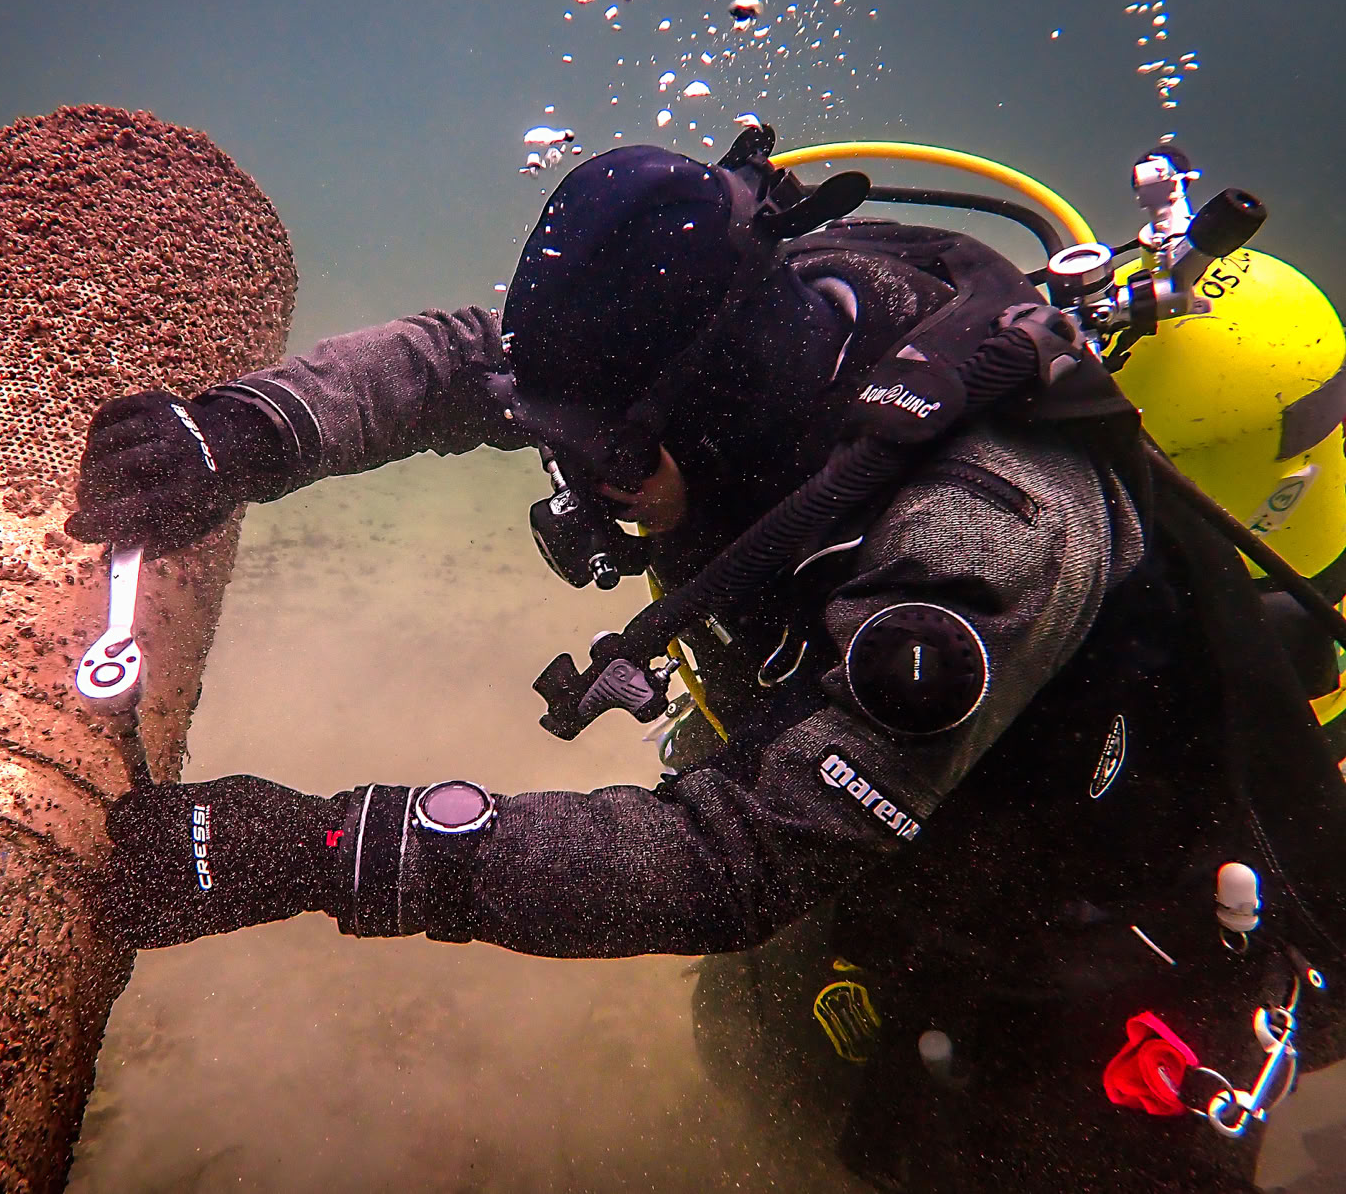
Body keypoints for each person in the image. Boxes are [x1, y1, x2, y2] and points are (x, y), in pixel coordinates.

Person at [65, 131, 1346, 1191]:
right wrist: (245, 429)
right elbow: (473, 361)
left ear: (719, 406)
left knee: (972, 1156)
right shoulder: (729, 339)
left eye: (609, 459)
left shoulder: (983, 541)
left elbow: (730, 861)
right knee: (758, 1064)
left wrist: (327, 851)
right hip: (882, 872)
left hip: (1093, 938)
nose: (590, 496)